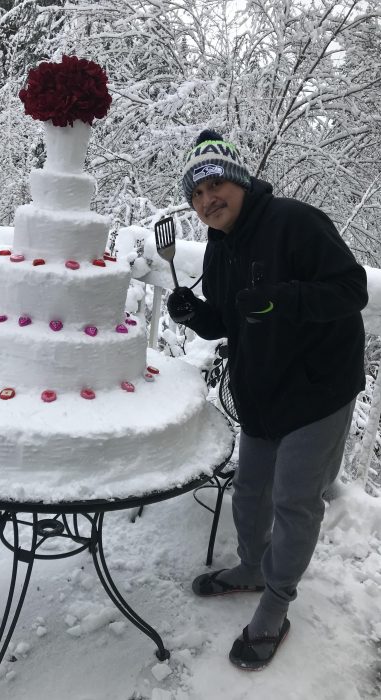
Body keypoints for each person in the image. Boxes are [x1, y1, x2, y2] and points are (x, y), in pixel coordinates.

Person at [167, 129, 368, 670]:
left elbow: (352, 289)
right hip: (260, 387)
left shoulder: (294, 223)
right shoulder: (218, 248)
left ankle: (276, 604)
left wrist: (281, 302)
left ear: (239, 181)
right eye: (197, 194)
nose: (208, 199)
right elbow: (233, 316)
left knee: (295, 500)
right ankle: (252, 567)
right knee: (251, 490)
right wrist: (196, 314)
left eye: (216, 185)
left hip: (317, 388)